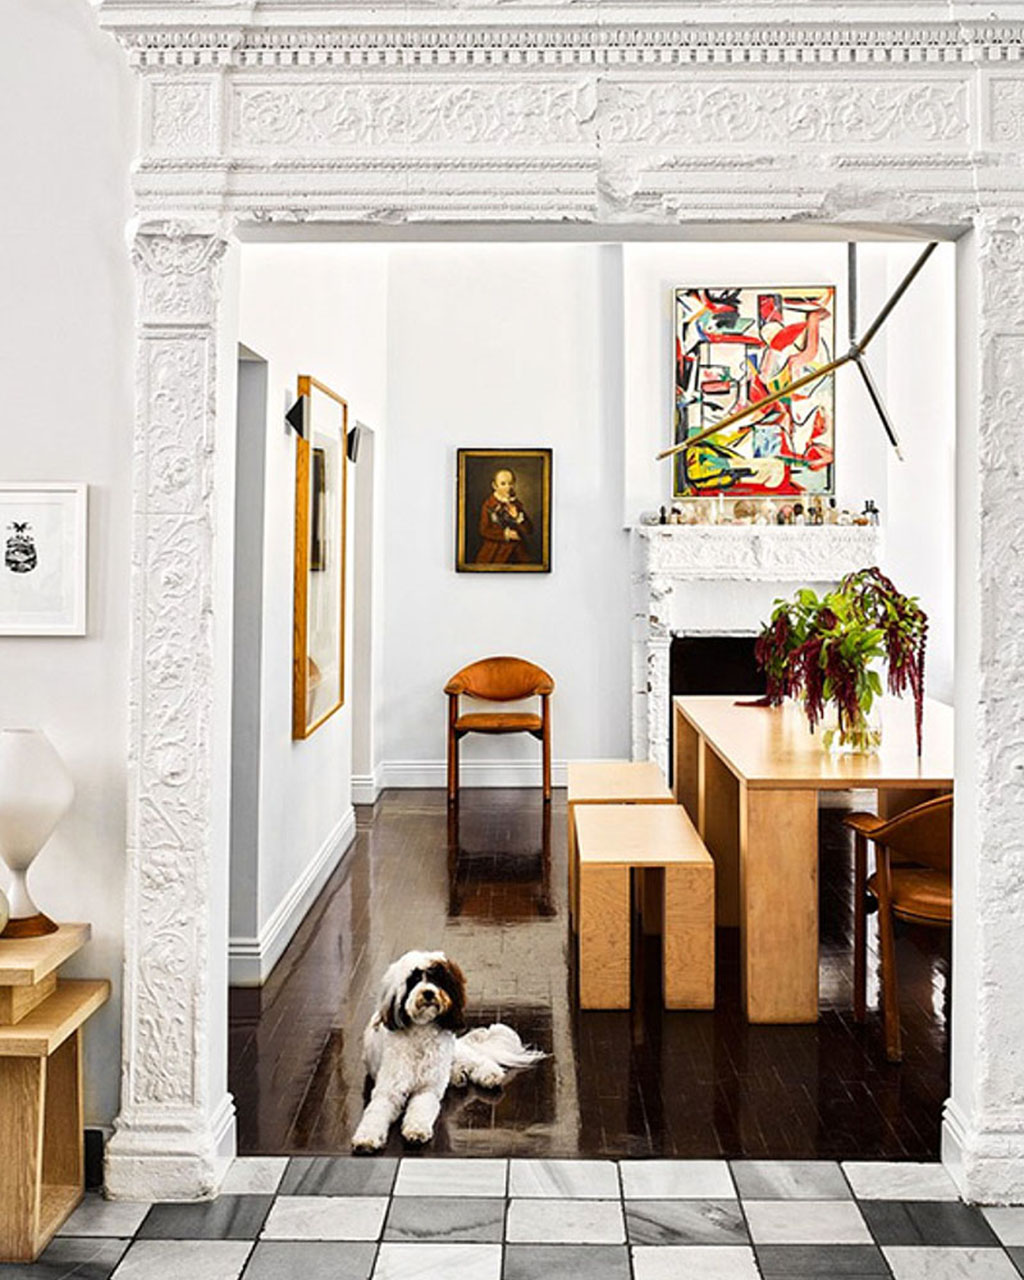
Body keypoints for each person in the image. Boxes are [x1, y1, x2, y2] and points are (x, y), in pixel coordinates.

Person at [475, 468, 534, 564]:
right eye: (503, 484)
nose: (508, 487)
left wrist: (517, 517)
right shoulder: (489, 504)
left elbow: (529, 530)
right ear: (494, 486)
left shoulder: (516, 504)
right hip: (496, 550)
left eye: (511, 483)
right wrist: (505, 534)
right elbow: (484, 530)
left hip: (517, 551)